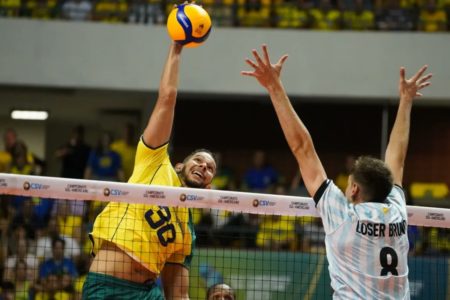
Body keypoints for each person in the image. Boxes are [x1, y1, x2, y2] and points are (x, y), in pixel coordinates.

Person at [242, 44, 432, 298]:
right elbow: (396, 159)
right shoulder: (396, 211)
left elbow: (302, 147)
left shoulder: (344, 214)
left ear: (354, 189)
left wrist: (274, 87)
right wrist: (407, 101)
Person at [82, 42, 217, 299]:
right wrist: (177, 47)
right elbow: (167, 99)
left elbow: (178, 294)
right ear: (180, 165)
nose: (203, 166)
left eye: (210, 168)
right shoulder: (155, 162)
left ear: (209, 186)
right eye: (198, 160)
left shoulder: (186, 234)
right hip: (107, 288)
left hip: (146, 293)